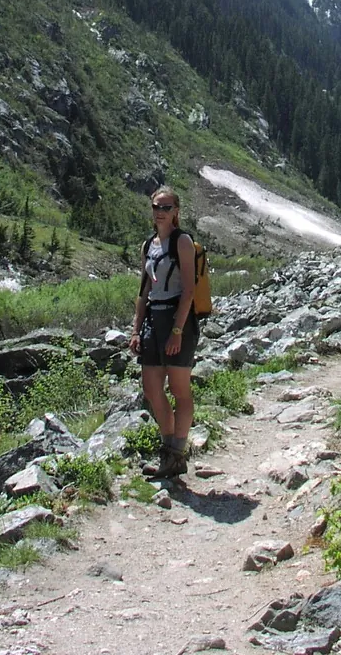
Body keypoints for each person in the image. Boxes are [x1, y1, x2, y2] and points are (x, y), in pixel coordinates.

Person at [129, 187, 199, 478]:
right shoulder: (149, 245)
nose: (160, 211)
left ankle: (175, 453)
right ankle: (168, 450)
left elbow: (189, 290)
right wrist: (135, 329)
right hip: (152, 321)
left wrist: (177, 330)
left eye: (166, 207)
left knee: (179, 390)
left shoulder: (182, 242)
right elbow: (144, 291)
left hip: (176, 319)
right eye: (156, 205)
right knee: (151, 389)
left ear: (176, 211)